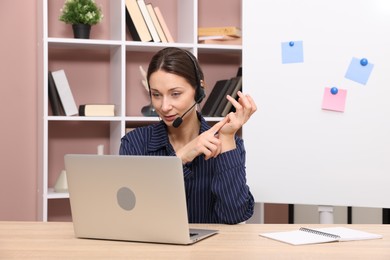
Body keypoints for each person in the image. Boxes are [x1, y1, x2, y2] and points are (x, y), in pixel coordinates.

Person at [119, 47, 257, 224]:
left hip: (211, 251)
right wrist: (181, 157)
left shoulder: (229, 144)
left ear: (199, 90)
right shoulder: (135, 143)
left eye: (175, 94)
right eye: (156, 95)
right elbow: (131, 210)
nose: (164, 106)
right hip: (154, 250)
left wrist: (228, 138)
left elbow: (233, 215)